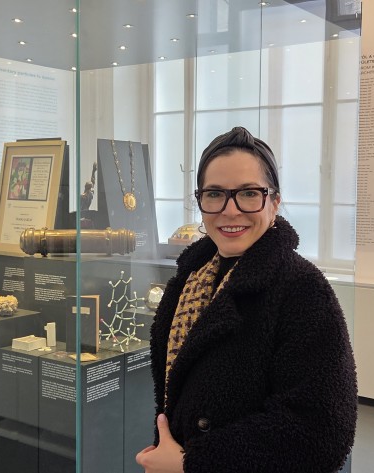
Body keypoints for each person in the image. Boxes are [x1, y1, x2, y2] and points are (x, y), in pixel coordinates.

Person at [136, 127, 357, 473]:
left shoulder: (302, 289)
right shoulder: (190, 278)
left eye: (249, 193)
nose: (230, 211)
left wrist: (192, 462)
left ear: (274, 202)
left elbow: (319, 430)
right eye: (214, 194)